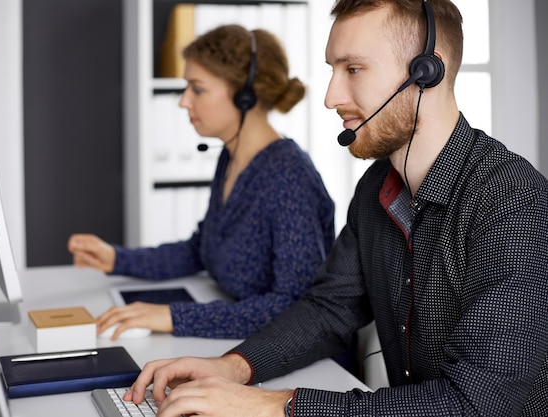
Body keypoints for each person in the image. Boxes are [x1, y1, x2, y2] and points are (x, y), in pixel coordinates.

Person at [126, 1, 548, 416]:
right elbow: (329, 310)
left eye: (353, 69)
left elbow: (476, 402)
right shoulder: (375, 190)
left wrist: (277, 405)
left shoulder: (512, 202)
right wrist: (233, 367)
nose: (330, 97)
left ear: (426, 72)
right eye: (333, 70)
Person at [67, 25, 336, 341]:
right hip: (245, 336)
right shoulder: (232, 157)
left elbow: (296, 307)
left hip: (307, 365)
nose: (183, 102)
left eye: (197, 88)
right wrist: (118, 259)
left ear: (245, 95)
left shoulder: (289, 177)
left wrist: (174, 316)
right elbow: (203, 250)